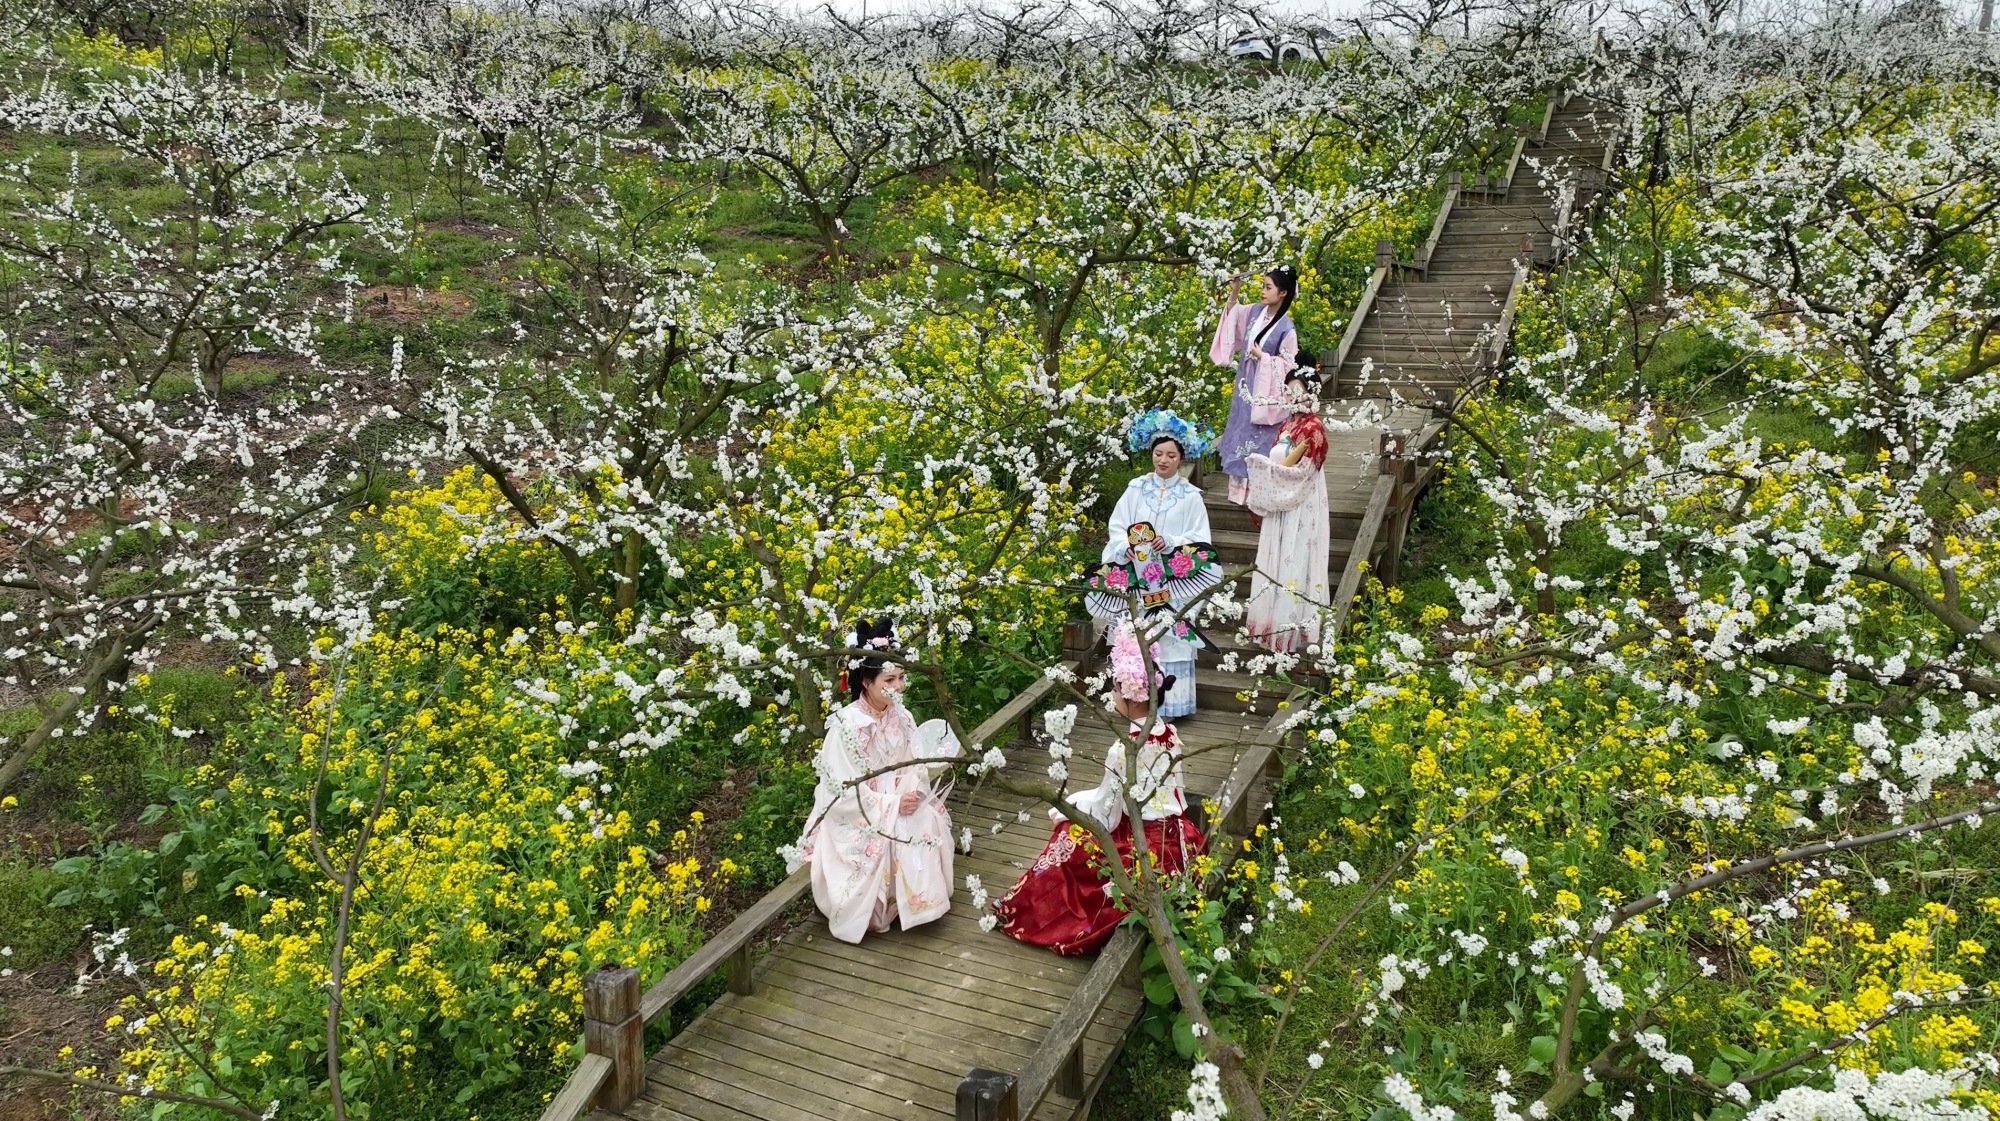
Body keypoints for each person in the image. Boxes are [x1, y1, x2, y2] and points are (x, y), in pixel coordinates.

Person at [992, 622, 1207, 955]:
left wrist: (1068, 808)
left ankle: (1030, 911)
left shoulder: (1123, 750)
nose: (1112, 694)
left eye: (1116, 688)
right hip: (1180, 840)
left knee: (1068, 836)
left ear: (1132, 695)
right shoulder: (1170, 735)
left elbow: (1107, 813)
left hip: (1146, 845)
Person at [789, 619, 958, 943]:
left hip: (900, 798)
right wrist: (891, 805)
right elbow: (838, 789)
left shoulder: (902, 717)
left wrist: (912, 793)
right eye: (889, 680)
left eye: (901, 678)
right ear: (866, 682)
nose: (899, 687)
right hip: (861, 812)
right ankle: (883, 909)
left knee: (925, 822)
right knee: (890, 834)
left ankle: (915, 905)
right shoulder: (845, 727)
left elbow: (916, 764)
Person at [1087, 410, 1221, 718]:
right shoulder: (1135, 489)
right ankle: (1133, 701)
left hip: (1173, 582)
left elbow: (1201, 538)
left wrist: (1171, 542)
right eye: (1158, 453)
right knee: (1136, 631)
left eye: (1171, 455)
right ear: (1151, 454)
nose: (1163, 460)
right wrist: (1125, 549)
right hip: (1136, 577)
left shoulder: (1191, 497)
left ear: (1181, 458)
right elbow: (1117, 527)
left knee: (1170, 632)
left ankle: (1170, 706)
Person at [1244, 359, 1330, 654]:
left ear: (1312, 392)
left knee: (1297, 552)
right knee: (1276, 555)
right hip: (1281, 492)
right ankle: (1270, 626)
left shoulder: (1314, 427)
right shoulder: (1287, 424)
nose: (1291, 396)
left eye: (1297, 389)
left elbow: (1306, 470)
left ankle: (1294, 628)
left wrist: (1271, 474)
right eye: (1288, 390)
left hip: (1301, 500)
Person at [1211, 267, 1301, 505]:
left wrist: (1265, 358)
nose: (1263, 291)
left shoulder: (1286, 328)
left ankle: (1259, 493)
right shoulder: (1254, 312)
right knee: (1241, 429)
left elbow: (1290, 363)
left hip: (1265, 390)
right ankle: (1238, 492)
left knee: (1261, 436)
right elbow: (1232, 318)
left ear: (1283, 293)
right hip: (1245, 384)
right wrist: (1235, 291)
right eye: (1262, 285)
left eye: (1268, 287)